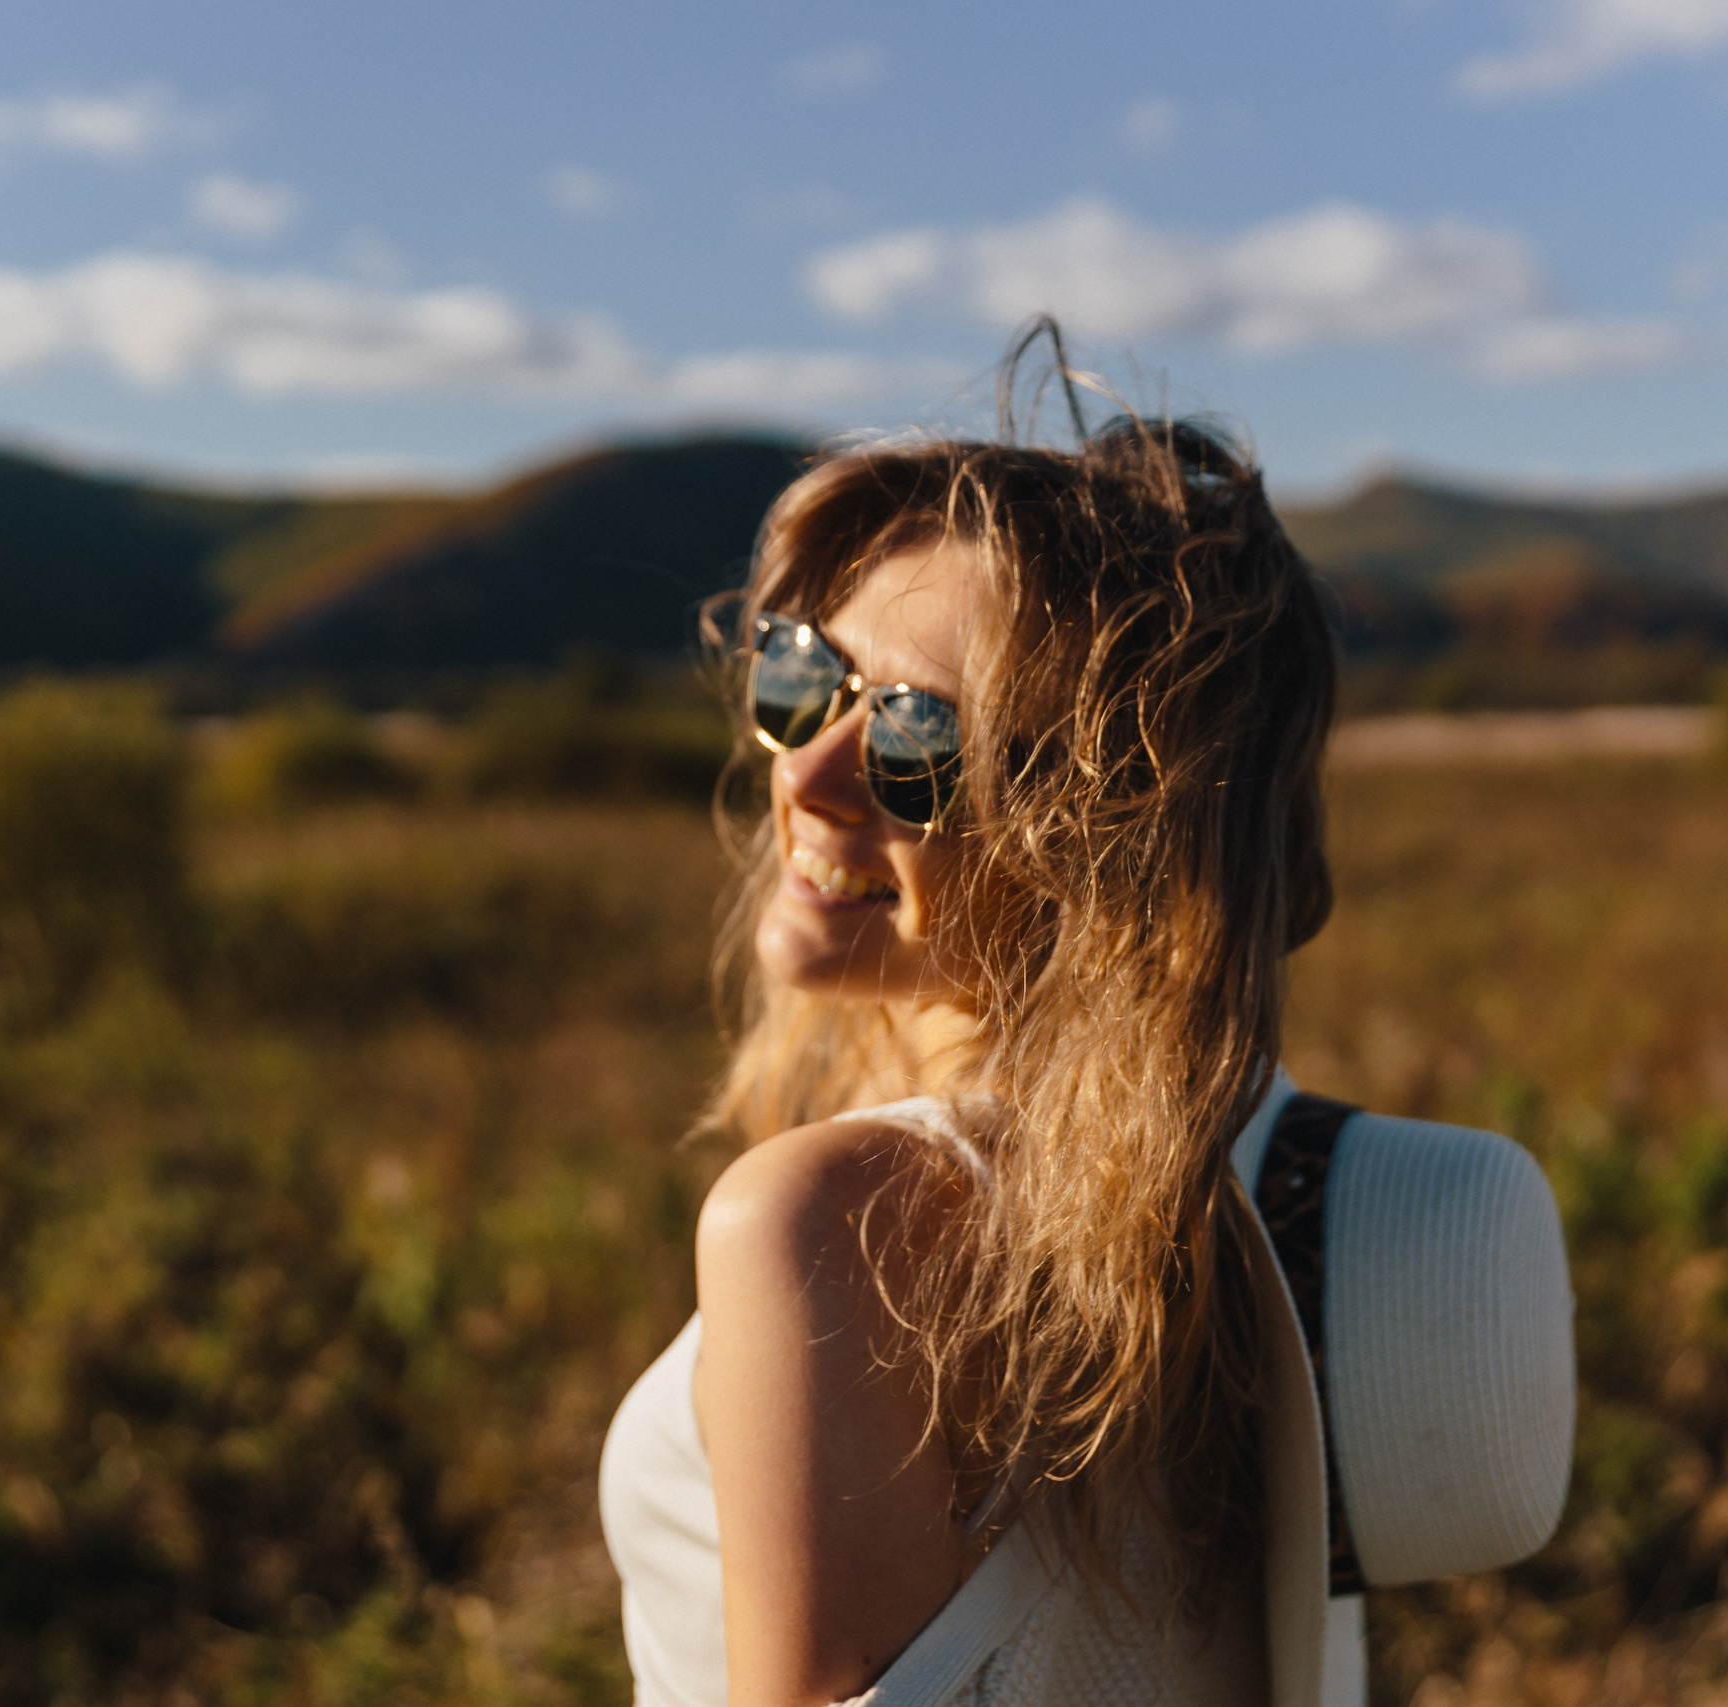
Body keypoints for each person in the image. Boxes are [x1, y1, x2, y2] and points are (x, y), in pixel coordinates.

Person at [600, 331, 1574, 1707]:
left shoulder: (827, 1225)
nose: (810, 775)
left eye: (917, 739)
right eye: (801, 676)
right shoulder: (1271, 1185)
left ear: (1109, 844)